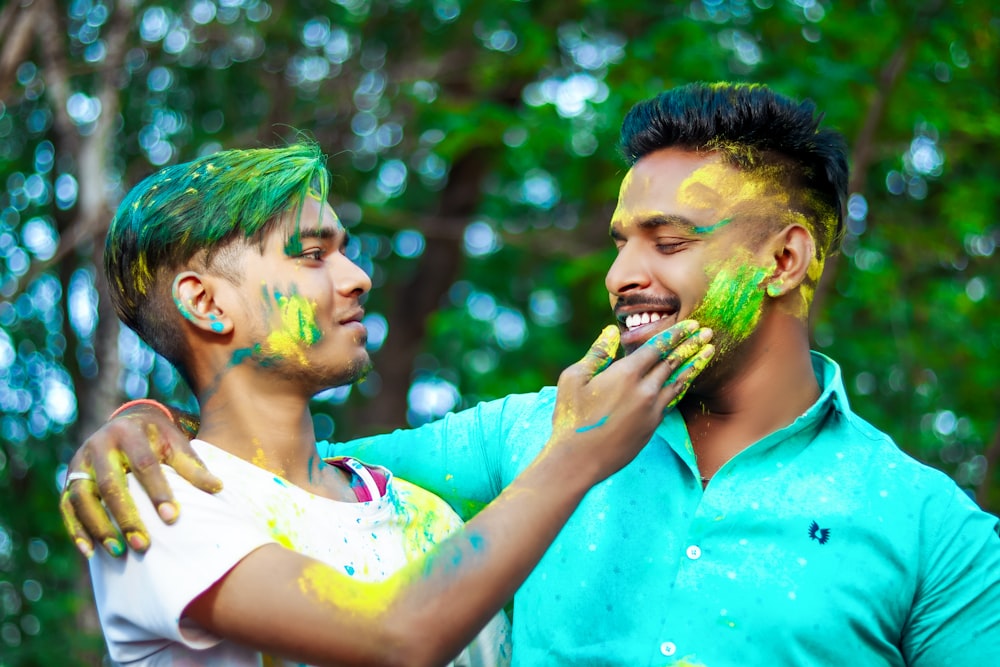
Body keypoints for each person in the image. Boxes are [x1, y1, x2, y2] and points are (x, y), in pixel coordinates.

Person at [63, 83, 1000, 665]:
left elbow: (323, 489)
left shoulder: (937, 533)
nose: (623, 274)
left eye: (667, 241)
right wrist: (144, 420)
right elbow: (280, 475)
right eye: (621, 240)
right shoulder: (529, 434)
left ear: (787, 259)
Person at [74, 141, 715, 666]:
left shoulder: (423, 514)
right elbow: (396, 638)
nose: (357, 277)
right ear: (207, 304)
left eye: (344, 251)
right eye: (312, 255)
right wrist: (576, 453)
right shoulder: (156, 506)